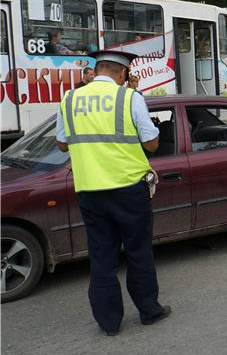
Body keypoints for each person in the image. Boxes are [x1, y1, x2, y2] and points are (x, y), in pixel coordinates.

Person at [55, 50, 171, 336]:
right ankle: (148, 311)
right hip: (129, 188)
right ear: (121, 73)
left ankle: (109, 323)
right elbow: (153, 144)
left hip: (90, 191)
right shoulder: (129, 97)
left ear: (97, 71)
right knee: (138, 253)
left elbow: (62, 145)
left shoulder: (69, 99)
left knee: (101, 258)